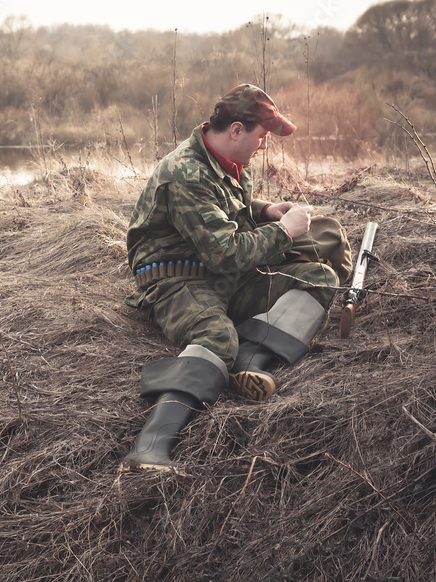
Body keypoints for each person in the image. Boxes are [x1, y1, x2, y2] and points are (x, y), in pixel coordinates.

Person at [120, 84, 352, 473]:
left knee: (319, 276)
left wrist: (263, 211)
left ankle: (251, 355)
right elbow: (224, 252)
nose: (264, 145)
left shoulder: (223, 160)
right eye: (262, 136)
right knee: (215, 337)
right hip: (178, 281)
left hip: (220, 274)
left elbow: (223, 209)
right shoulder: (184, 172)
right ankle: (149, 448)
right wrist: (284, 233)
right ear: (237, 130)